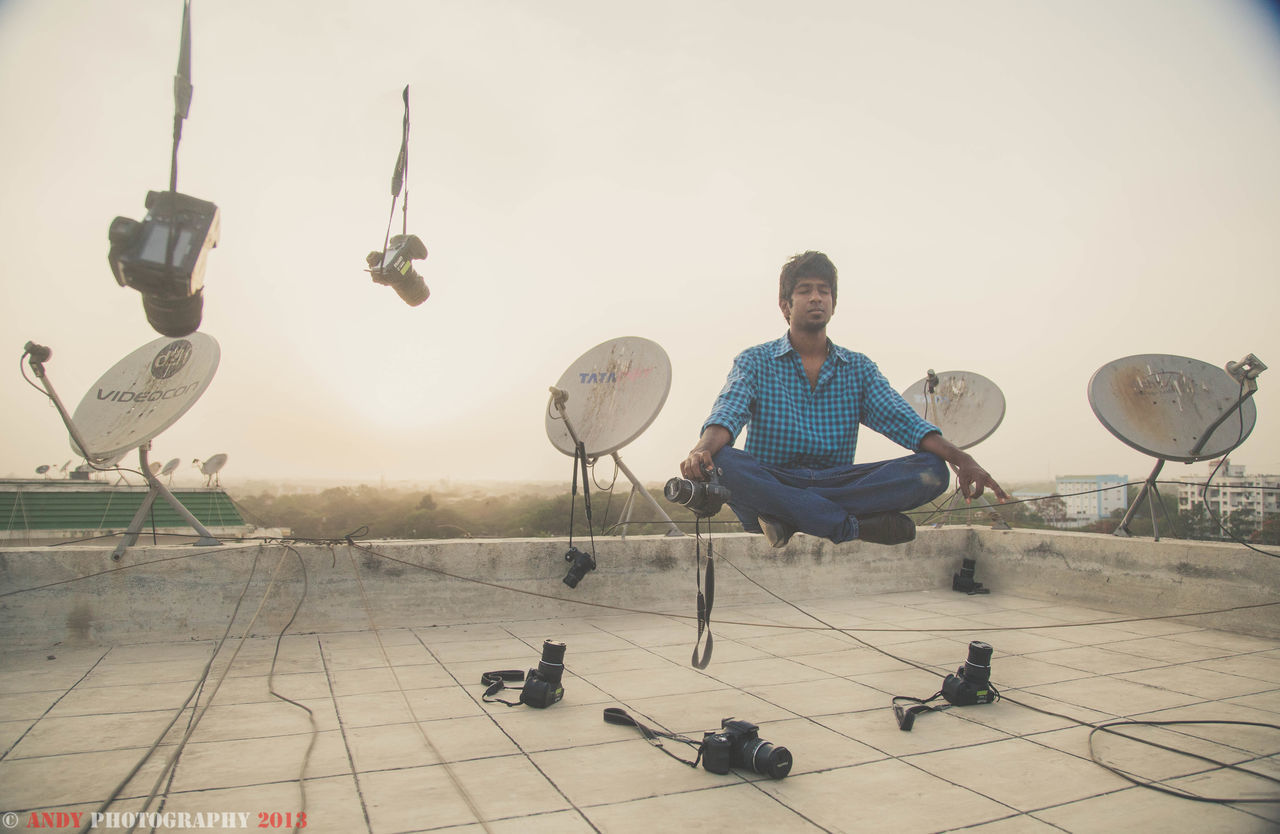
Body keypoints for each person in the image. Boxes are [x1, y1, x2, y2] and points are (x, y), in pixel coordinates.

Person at [679, 251, 1008, 547]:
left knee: (933, 471)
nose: (816, 297)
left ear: (834, 303)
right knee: (723, 462)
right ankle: (847, 526)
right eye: (805, 290)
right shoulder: (755, 361)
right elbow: (729, 409)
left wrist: (962, 459)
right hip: (774, 480)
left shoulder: (858, 368)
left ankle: (797, 516)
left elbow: (905, 421)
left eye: (824, 290)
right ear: (785, 305)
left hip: (834, 483)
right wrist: (702, 448)